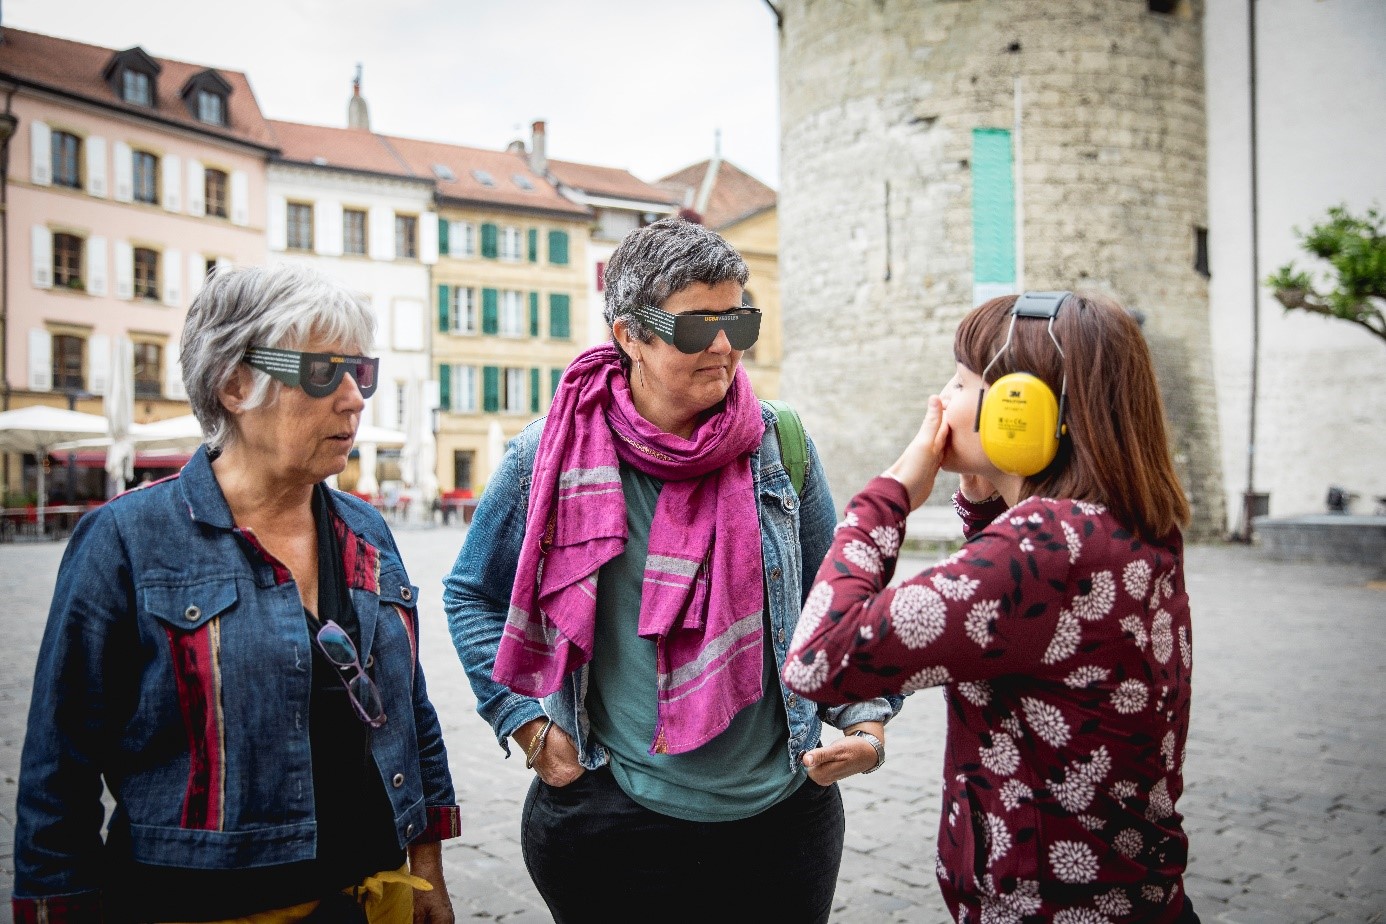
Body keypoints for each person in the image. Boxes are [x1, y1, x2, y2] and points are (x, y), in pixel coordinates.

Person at [442, 217, 903, 924]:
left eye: (738, 320)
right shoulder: (551, 454)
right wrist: (529, 729)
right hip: (611, 819)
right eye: (695, 327)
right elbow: (471, 593)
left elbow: (831, 601)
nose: (723, 346)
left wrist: (867, 727)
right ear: (631, 334)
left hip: (784, 823)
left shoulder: (781, 444)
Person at [12, 264, 460, 924]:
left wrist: (426, 868)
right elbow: (59, 771)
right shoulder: (127, 541)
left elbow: (408, 710)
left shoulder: (363, 529)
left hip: (371, 898)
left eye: (358, 372)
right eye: (321, 373)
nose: (354, 398)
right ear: (234, 382)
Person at [782, 291, 1200, 923]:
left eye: (959, 381)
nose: (942, 400)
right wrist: (986, 500)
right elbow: (1013, 628)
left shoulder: (1045, 546)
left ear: (1022, 410)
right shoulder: (1121, 525)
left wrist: (889, 494)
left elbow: (820, 659)